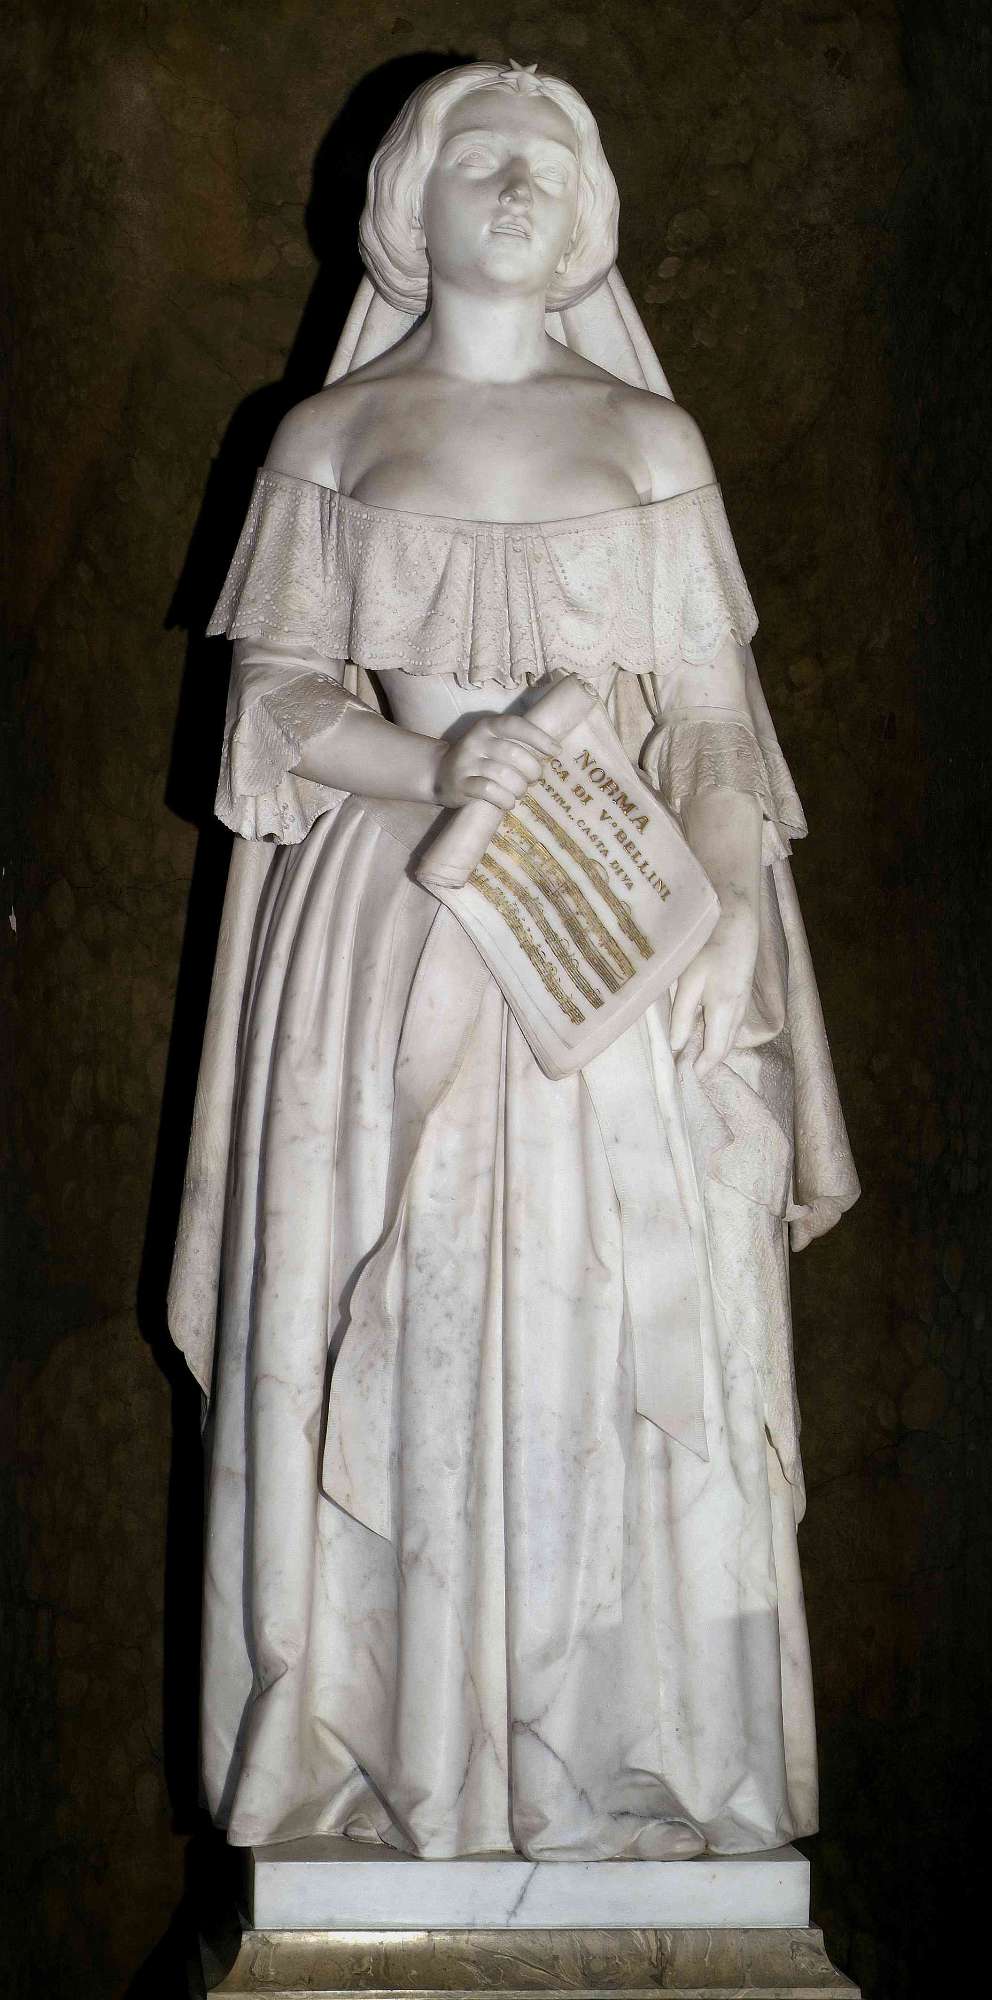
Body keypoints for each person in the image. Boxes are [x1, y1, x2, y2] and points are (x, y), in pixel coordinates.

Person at [168, 60, 859, 1861]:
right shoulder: (330, 439)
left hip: (610, 927)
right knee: (398, 1311)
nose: (516, 182)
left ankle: (617, 1753)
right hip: (394, 921)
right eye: (480, 154)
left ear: (593, 213)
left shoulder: (651, 443)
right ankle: (393, 1752)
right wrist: (439, 765)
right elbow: (274, 709)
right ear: (407, 195)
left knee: (611, 1321)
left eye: (550, 159)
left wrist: (723, 902)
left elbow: (716, 726)